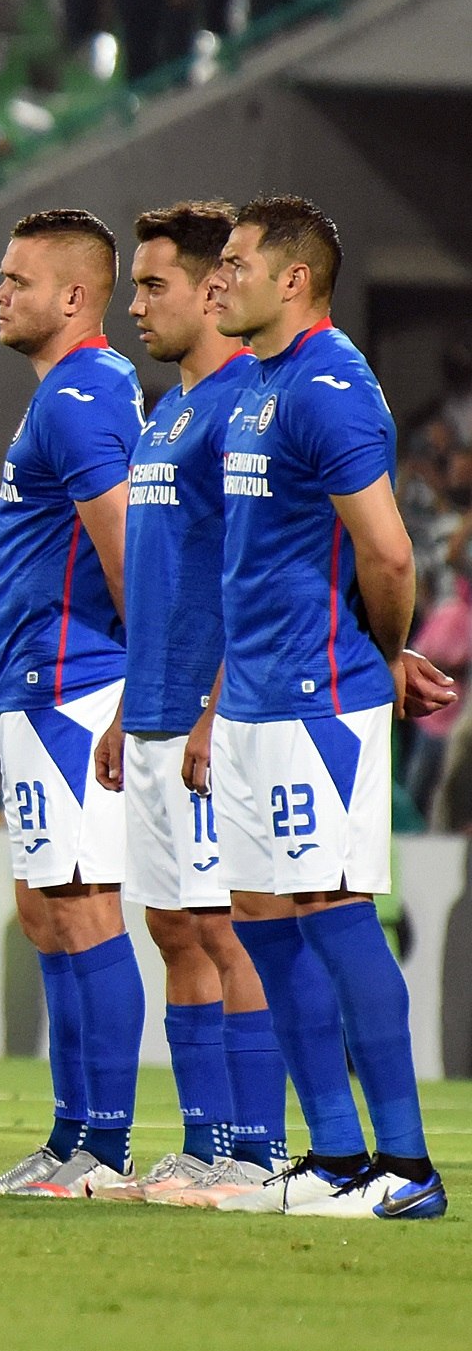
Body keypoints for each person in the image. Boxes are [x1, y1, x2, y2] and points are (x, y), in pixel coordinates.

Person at [201, 199, 454, 1220]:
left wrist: (382, 655)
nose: (222, 278)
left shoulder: (332, 381)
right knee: (263, 918)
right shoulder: (260, 383)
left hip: (319, 693)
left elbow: (389, 551)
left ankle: (408, 1165)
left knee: (337, 909)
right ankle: (337, 1154)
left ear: (294, 278)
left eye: (236, 262)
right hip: (258, 696)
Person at [90, 203, 278, 1203]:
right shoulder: (172, 411)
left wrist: (215, 707)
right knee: (176, 930)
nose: (136, 306)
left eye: (152, 284)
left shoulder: (246, 404)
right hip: (155, 707)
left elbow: (252, 577)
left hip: (211, 714)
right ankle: (207, 1145)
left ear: (213, 290)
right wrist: (130, 704)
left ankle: (261, 1151)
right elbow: (167, 578)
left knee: (226, 930)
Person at [0, 212, 146, 1197]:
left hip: (80, 685)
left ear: (74, 296)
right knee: (45, 909)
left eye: (18, 278)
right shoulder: (63, 398)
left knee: (84, 908)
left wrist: (145, 690)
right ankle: (72, 1132)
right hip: (37, 684)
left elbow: (126, 554)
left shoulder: (82, 397)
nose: (0, 292)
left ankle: (105, 1151)